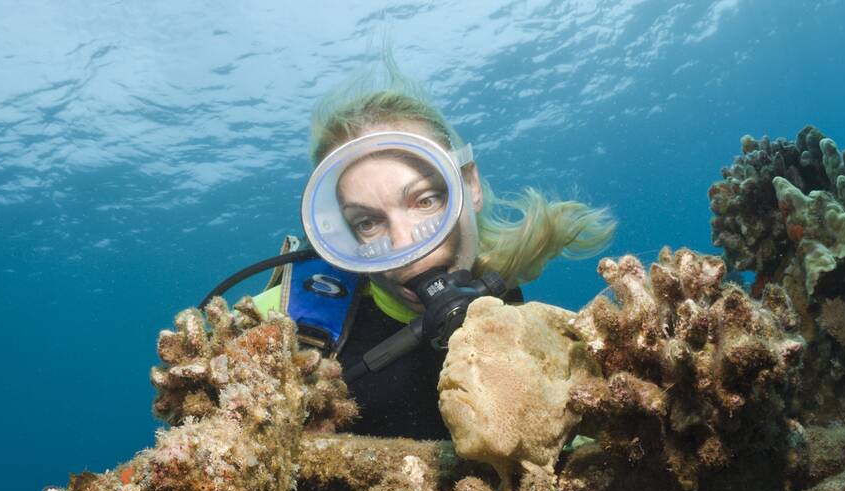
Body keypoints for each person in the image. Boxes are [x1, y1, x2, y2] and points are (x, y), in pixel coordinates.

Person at [253, 59, 615, 440]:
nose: (406, 246)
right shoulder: (285, 321)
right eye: (367, 223)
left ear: (469, 185)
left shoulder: (526, 318)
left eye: (425, 200)